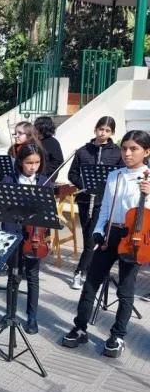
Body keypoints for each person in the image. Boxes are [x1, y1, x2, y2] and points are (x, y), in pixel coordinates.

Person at [62, 130, 150, 358]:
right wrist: (99, 232)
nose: (127, 153)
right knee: (91, 282)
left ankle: (117, 335)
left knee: (125, 289)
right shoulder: (115, 175)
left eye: (134, 149)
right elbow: (105, 209)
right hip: (111, 232)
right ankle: (80, 327)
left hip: (135, 238)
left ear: (147, 152)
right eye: (124, 148)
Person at [0, 143, 52, 335]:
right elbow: (3, 211)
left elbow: (47, 215)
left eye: (37, 163)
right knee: (13, 275)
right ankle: (9, 313)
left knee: (33, 277)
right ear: (20, 162)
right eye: (29, 163)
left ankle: (32, 317)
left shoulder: (45, 182)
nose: (33, 167)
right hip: (14, 232)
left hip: (35, 237)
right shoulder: (9, 180)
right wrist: (11, 236)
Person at [67, 116, 123, 290]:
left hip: (103, 202)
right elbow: (72, 174)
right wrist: (86, 185)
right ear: (95, 129)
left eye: (107, 131)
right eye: (101, 129)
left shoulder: (117, 152)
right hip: (85, 200)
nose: (103, 133)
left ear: (112, 133)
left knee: (92, 239)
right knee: (88, 237)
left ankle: (80, 272)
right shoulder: (83, 151)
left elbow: (120, 175)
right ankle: (88, 270)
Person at [34, 116, 63, 181]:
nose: (34, 129)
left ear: (42, 127)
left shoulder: (52, 142)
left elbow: (58, 162)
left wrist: (42, 171)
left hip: (46, 178)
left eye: (36, 127)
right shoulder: (36, 141)